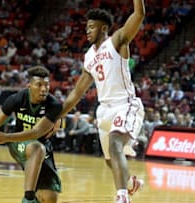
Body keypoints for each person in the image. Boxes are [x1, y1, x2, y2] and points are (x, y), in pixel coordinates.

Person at [57, 2, 145, 203]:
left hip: (125, 104)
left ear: (103, 28)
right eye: (87, 27)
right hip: (104, 110)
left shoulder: (117, 41)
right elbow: (78, 91)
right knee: (109, 160)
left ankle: (122, 198)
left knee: (115, 145)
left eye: (92, 27)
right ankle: (130, 181)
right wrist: (57, 115)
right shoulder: (89, 57)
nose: (87, 30)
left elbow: (139, 14)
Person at [0, 66, 62, 203]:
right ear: (29, 85)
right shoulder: (17, 99)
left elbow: (36, 132)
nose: (44, 89)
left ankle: (34, 196)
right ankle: (28, 198)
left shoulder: (54, 105)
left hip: (40, 146)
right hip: (19, 144)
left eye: (46, 85)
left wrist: (6, 137)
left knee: (49, 199)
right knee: (36, 148)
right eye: (39, 85)